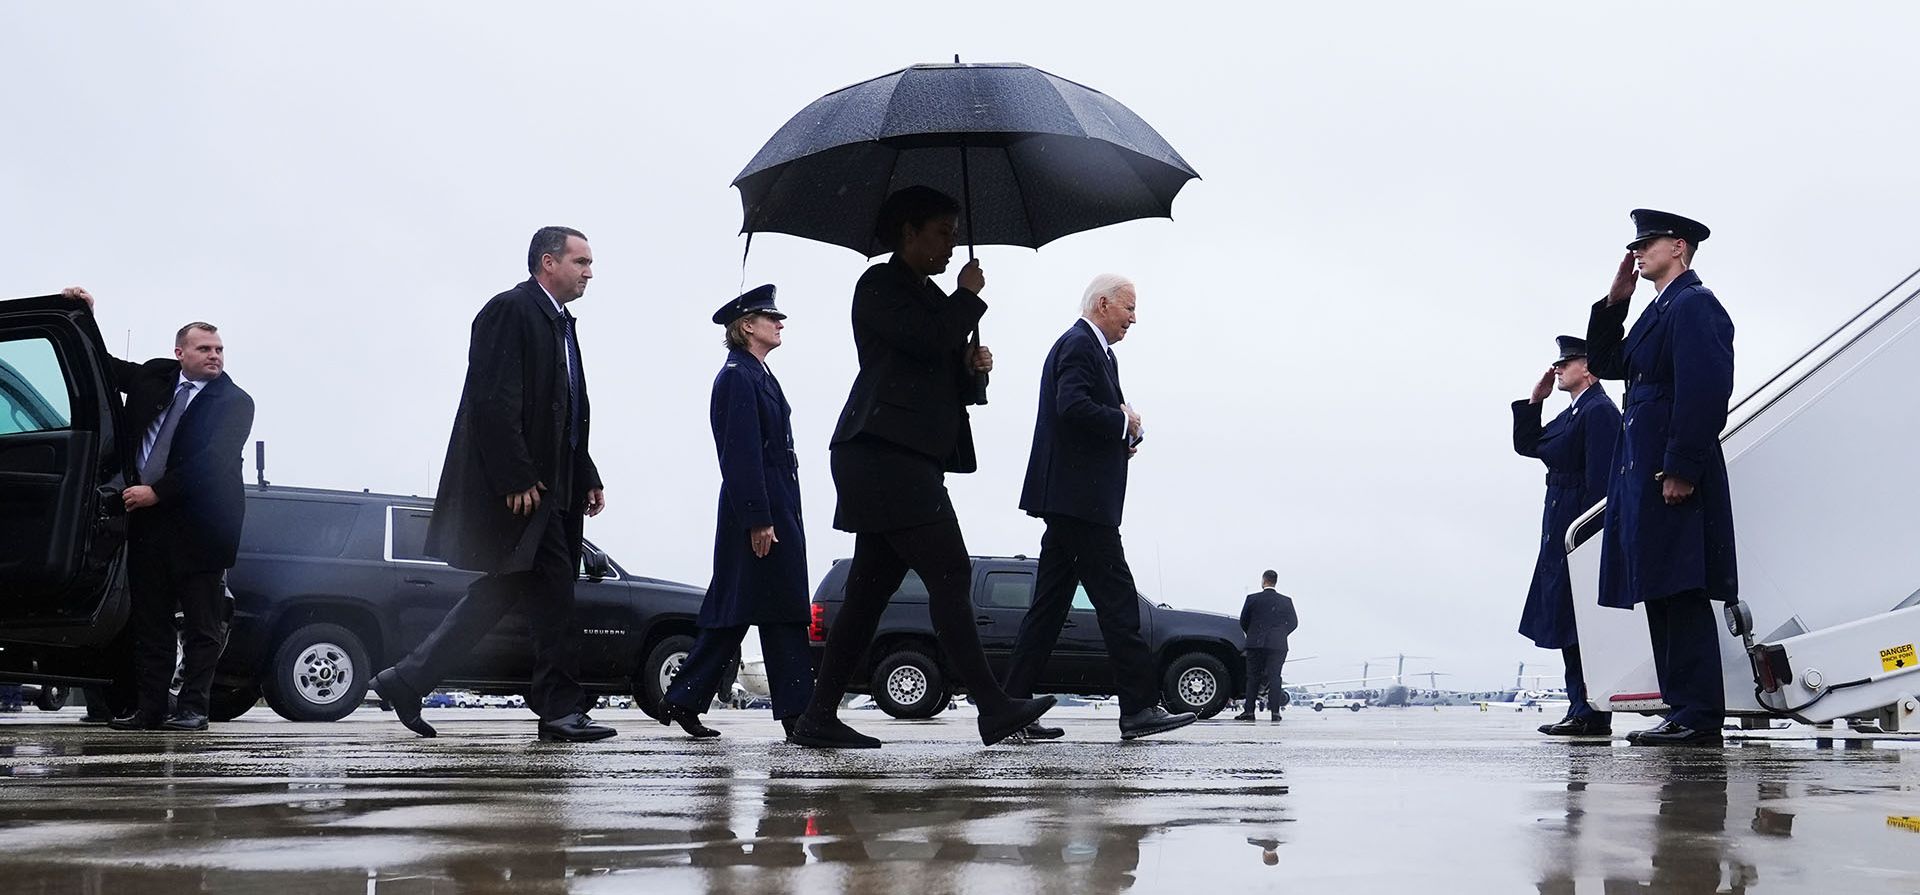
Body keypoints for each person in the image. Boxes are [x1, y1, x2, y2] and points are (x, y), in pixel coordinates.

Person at [792, 186, 1057, 749]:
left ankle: (817, 716)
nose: (951, 243)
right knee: (951, 572)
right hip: (881, 453)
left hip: (906, 455)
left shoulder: (934, 296)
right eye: (942, 232)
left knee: (866, 594)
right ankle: (992, 708)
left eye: (955, 232)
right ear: (908, 234)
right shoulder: (879, 285)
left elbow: (947, 375)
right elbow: (921, 340)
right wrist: (966, 301)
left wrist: (974, 367)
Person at [370, 227, 613, 743]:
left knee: (503, 592)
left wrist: (586, 472)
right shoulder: (510, 310)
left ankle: (407, 678)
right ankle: (559, 711)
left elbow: (564, 412)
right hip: (531, 490)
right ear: (548, 263)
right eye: (581, 262)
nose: (590, 272)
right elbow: (492, 400)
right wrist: (517, 475)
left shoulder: (562, 325)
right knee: (555, 601)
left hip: (559, 486)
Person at [1000, 273, 1195, 741]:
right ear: (1103, 304)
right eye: (1129, 308)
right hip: (1081, 502)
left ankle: (1008, 710)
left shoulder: (1094, 350)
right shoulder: (1079, 344)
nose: (1134, 318)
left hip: (1072, 498)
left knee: (1047, 609)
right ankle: (1139, 709)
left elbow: (1081, 420)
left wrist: (1125, 436)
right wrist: (1120, 420)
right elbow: (1072, 406)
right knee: (1119, 603)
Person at [63, 287, 255, 733]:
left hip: (202, 528)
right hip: (148, 526)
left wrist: (156, 493)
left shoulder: (234, 403)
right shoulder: (155, 376)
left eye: (220, 349)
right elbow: (102, 369)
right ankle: (149, 709)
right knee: (150, 623)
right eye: (204, 348)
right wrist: (82, 316)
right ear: (180, 352)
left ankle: (193, 710)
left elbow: (210, 466)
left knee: (203, 626)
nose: (215, 356)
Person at [1585, 209, 1737, 747]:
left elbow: (1706, 390)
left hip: (1669, 468)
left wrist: (1681, 466)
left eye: (1646, 244)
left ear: (1679, 246)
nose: (1637, 252)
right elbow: (1606, 361)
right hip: (1643, 469)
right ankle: (1682, 708)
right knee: (1659, 588)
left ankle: (1698, 714)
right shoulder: (1659, 310)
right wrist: (1616, 302)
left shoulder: (1695, 305)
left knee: (1682, 588)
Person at [658, 285, 815, 740]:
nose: (780, 323)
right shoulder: (736, 377)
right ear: (747, 325)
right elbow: (739, 453)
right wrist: (758, 517)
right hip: (759, 510)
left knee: (739, 608)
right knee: (773, 607)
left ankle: (685, 699)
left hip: (774, 504)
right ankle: (797, 714)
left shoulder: (758, 373)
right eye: (772, 317)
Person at [1511, 336, 1620, 737]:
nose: (1557, 368)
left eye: (1566, 362)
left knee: (1580, 623)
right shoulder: (1575, 411)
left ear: (1587, 368)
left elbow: (1601, 484)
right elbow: (1529, 445)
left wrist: (1588, 538)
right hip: (1559, 520)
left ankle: (1590, 711)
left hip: (1577, 522)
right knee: (1564, 618)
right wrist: (1534, 402)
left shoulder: (1599, 411)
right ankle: (1581, 707)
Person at [1233, 570, 1298, 721]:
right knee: (1275, 677)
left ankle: (1249, 711)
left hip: (1255, 644)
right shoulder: (1286, 601)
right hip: (1278, 645)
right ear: (1276, 581)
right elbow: (1294, 623)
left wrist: (1253, 634)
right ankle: (1275, 712)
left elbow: (1243, 621)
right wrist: (1281, 634)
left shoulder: (1252, 599)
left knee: (1253, 677)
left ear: (1263, 581)